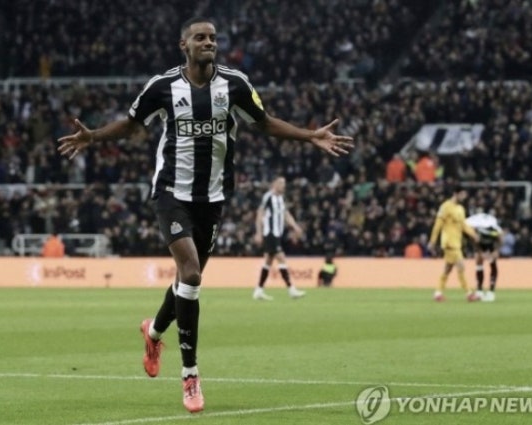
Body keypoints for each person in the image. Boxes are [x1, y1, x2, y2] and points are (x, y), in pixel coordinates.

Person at [57, 16, 353, 413]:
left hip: (212, 199)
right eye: (200, 37)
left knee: (186, 280)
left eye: (212, 38)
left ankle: (154, 331)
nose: (208, 42)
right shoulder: (163, 87)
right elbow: (130, 125)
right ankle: (190, 375)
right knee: (192, 274)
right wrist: (93, 136)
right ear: (185, 45)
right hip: (171, 193)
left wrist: (310, 135)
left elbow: (265, 123)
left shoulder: (235, 84)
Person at [253, 176, 306, 300]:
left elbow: (286, 214)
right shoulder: (268, 197)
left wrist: (295, 227)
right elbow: (260, 214)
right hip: (270, 233)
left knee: (268, 262)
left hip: (277, 233)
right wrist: (258, 233)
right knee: (281, 258)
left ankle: (259, 290)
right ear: (274, 184)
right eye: (281, 183)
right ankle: (291, 289)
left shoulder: (281, 198)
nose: (283, 185)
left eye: (284, 183)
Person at [427, 185, 480, 302]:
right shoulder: (445, 207)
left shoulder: (460, 209)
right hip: (449, 242)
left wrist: (473, 235)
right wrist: (432, 241)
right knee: (461, 266)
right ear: (456, 194)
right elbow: (438, 225)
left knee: (448, 269)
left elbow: (464, 225)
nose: (464, 197)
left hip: (457, 242)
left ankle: (438, 293)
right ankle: (469, 293)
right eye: (463, 194)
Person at [465, 212, 503, 302]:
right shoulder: (473, 230)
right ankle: (479, 290)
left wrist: (496, 251)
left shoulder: (495, 229)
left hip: (491, 245)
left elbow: (500, 239)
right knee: (479, 262)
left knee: (492, 262)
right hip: (480, 245)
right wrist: (480, 252)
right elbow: (474, 242)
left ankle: (491, 292)